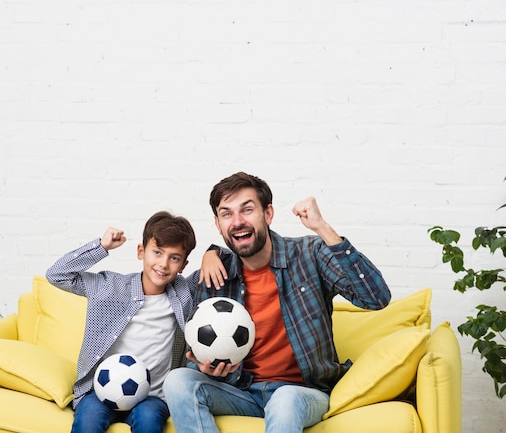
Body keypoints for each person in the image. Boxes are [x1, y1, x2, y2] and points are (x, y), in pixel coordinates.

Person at [163, 172, 391, 433]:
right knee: (178, 380)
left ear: (268, 214)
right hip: (243, 392)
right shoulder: (217, 273)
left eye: (247, 210)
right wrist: (207, 367)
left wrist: (323, 228)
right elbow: (199, 349)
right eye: (227, 214)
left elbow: (376, 298)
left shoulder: (310, 254)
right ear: (217, 223)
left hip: (301, 393)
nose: (237, 222)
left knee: (284, 398)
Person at [45, 211, 199, 433]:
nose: (163, 264)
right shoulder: (109, 287)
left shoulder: (184, 292)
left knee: (149, 421)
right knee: (88, 421)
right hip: (101, 392)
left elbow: (226, 262)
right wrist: (102, 246)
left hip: (152, 396)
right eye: (157, 252)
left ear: (183, 265)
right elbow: (57, 275)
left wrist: (212, 254)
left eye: (174, 258)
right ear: (141, 252)